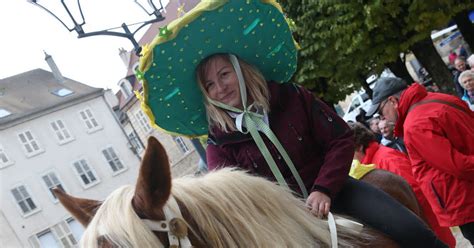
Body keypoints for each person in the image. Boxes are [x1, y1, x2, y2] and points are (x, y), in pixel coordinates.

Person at [139, 1, 447, 247]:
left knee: (412, 232)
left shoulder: (291, 96)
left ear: (241, 70)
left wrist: (324, 189)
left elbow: (340, 139)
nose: (220, 87)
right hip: (286, 224)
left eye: (224, 74)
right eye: (209, 84)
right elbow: (232, 200)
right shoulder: (218, 143)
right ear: (206, 95)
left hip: (338, 191)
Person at [366, 76, 474, 245]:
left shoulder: (415, 124)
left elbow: (457, 165)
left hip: (465, 201)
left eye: (381, 112)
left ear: (393, 101)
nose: (383, 118)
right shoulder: (439, 98)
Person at [351, 123, 456, 247]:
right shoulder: (375, 161)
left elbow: (415, 194)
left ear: (358, 147)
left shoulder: (386, 159)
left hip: (429, 232)